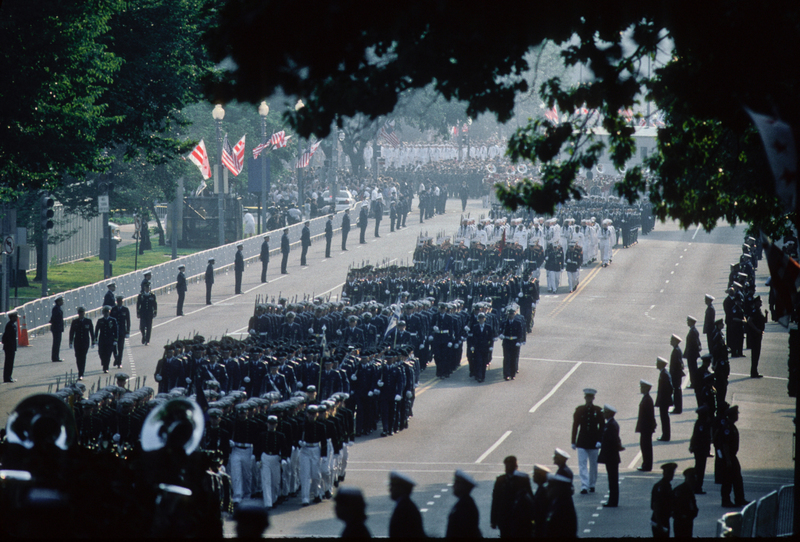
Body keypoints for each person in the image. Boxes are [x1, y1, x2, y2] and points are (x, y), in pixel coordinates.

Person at [571, 388, 604, 494]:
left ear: (593, 398)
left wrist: (600, 440)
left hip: (594, 441)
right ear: (585, 398)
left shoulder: (598, 411)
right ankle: (584, 485)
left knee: (593, 465)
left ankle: (592, 484)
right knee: (582, 464)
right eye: (587, 397)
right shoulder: (579, 410)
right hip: (582, 441)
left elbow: (602, 426)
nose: (589, 399)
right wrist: (573, 440)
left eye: (590, 397)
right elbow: (575, 426)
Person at [717, 405, 749, 508]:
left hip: (731, 456)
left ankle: (739, 498)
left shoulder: (731, 426)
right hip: (729, 457)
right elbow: (725, 445)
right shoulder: (727, 428)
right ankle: (726, 500)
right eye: (736, 414)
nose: (737, 416)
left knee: (737, 478)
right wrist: (728, 459)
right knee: (728, 479)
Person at [491, 455, 528, 537]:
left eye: (510, 465)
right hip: (504, 518)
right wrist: (493, 520)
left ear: (515, 466)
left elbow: (529, 498)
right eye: (506, 465)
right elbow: (496, 500)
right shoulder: (500, 480)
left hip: (519, 518)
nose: (507, 467)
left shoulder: (523, 480)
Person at [598, 404, 623, 507]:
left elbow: (612, 441)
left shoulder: (611, 425)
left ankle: (613, 501)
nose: (603, 414)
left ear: (609, 413)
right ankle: (612, 500)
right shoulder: (611, 424)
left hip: (611, 456)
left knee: (612, 480)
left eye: (605, 412)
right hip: (612, 456)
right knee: (612, 479)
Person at [388, 471, 425, 538]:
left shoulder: (404, 509)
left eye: (393, 486)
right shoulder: (405, 505)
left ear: (401, 489)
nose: (390, 490)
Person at [446, 470, 481, 538]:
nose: (453, 486)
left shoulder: (465, 507)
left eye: (456, 483)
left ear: (462, 486)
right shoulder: (465, 503)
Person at [689, 405, 712, 495]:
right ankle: (697, 487)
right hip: (700, 449)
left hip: (699, 449)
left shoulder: (701, 423)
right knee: (700, 469)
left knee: (699, 468)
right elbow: (698, 437)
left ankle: (697, 486)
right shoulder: (702, 424)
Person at [650, 462, 677, 537]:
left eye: (672, 473)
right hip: (660, 520)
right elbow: (656, 505)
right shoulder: (662, 487)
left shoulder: (666, 485)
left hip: (664, 519)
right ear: (664, 473)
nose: (671, 475)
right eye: (669, 473)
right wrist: (659, 523)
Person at [69, 307, 95, 380]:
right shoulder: (75, 322)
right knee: (77, 357)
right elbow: (71, 332)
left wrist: (93, 342)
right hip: (77, 342)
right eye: (80, 313)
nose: (81, 314)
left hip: (85, 342)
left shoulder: (88, 321)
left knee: (83, 357)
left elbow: (91, 332)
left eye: (82, 312)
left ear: (84, 313)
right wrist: (70, 342)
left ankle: (81, 373)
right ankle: (80, 370)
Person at [636, 379, 656, 471]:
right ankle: (646, 464)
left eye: (642, 387)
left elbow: (649, 415)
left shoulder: (647, 400)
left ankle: (647, 465)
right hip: (646, 427)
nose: (641, 389)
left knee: (646, 446)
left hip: (646, 428)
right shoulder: (646, 398)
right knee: (645, 446)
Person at [672, 467, 699, 537]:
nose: (695, 481)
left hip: (688, 521)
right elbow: (674, 506)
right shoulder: (680, 490)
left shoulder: (689, 490)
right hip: (681, 521)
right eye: (692, 478)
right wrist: (683, 516)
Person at [745, 295, 766, 378]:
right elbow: (749, 321)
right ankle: (753, 372)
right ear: (756, 303)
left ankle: (755, 371)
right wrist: (756, 329)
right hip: (755, 335)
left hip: (759, 334)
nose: (761, 302)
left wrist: (766, 314)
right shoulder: (754, 311)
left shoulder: (758, 310)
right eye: (759, 301)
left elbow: (763, 321)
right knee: (755, 354)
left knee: (757, 354)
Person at [500, 307, 523, 381]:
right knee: (507, 358)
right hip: (507, 341)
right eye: (510, 314)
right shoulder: (505, 322)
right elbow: (500, 330)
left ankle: (513, 374)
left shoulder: (517, 322)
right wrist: (501, 335)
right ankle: (506, 374)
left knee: (513, 358)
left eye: (512, 314)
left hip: (514, 342)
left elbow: (520, 333)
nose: (511, 316)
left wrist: (519, 341)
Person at [94, 306, 118, 374]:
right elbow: (96, 330)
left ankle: (106, 367)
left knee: (108, 354)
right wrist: (95, 339)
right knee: (101, 353)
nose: (106, 314)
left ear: (109, 312)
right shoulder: (100, 320)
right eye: (105, 312)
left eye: (107, 312)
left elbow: (116, 330)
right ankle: (103, 362)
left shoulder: (113, 320)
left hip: (110, 340)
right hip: (102, 340)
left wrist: (115, 339)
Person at [655, 357, 673, 441]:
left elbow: (668, 388)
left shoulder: (664, 374)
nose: (656, 364)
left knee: (664, 418)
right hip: (664, 400)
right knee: (664, 418)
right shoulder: (664, 373)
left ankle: (666, 435)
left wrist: (665, 399)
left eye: (658, 363)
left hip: (664, 401)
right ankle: (665, 434)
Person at [110, 295, 130, 368]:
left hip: (122, 331)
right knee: (113, 347)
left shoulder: (125, 310)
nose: (119, 303)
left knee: (120, 347)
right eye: (118, 301)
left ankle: (119, 362)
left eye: (121, 301)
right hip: (114, 332)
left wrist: (127, 331)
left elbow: (128, 321)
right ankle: (116, 358)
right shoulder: (113, 309)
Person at [684, 315, 702, 390]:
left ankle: (694, 383)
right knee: (692, 368)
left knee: (692, 369)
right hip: (692, 353)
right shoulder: (693, 330)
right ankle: (694, 382)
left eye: (688, 321)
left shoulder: (693, 331)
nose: (687, 323)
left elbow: (694, 343)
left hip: (692, 354)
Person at [137, 281, 157, 345]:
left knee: (149, 327)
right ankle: (144, 336)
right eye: (146, 287)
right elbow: (138, 304)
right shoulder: (141, 296)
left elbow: (154, 304)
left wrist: (155, 312)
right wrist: (138, 312)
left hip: (149, 314)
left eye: (148, 287)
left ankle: (147, 340)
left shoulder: (152, 295)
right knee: (142, 327)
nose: (147, 289)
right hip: (143, 314)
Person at [669, 334, 685, 414]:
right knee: (676, 391)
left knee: (677, 391)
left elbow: (678, 363)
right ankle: (677, 407)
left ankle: (678, 408)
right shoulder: (677, 350)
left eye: (672, 340)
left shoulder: (676, 351)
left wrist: (673, 373)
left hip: (676, 374)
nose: (670, 341)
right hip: (676, 374)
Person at [2, 311, 18, 383]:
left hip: (12, 346)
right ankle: (7, 377)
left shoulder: (13, 325)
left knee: (11, 362)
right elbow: (8, 337)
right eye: (15, 317)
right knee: (8, 362)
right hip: (9, 347)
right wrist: (10, 346)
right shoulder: (9, 325)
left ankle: (9, 376)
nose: (17, 318)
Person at [49, 297, 65, 362]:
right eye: (61, 301)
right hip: (56, 328)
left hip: (57, 328)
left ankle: (56, 356)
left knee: (57, 343)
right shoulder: (56, 309)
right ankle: (55, 357)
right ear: (58, 301)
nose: (62, 302)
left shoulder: (58, 308)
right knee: (56, 343)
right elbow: (55, 318)